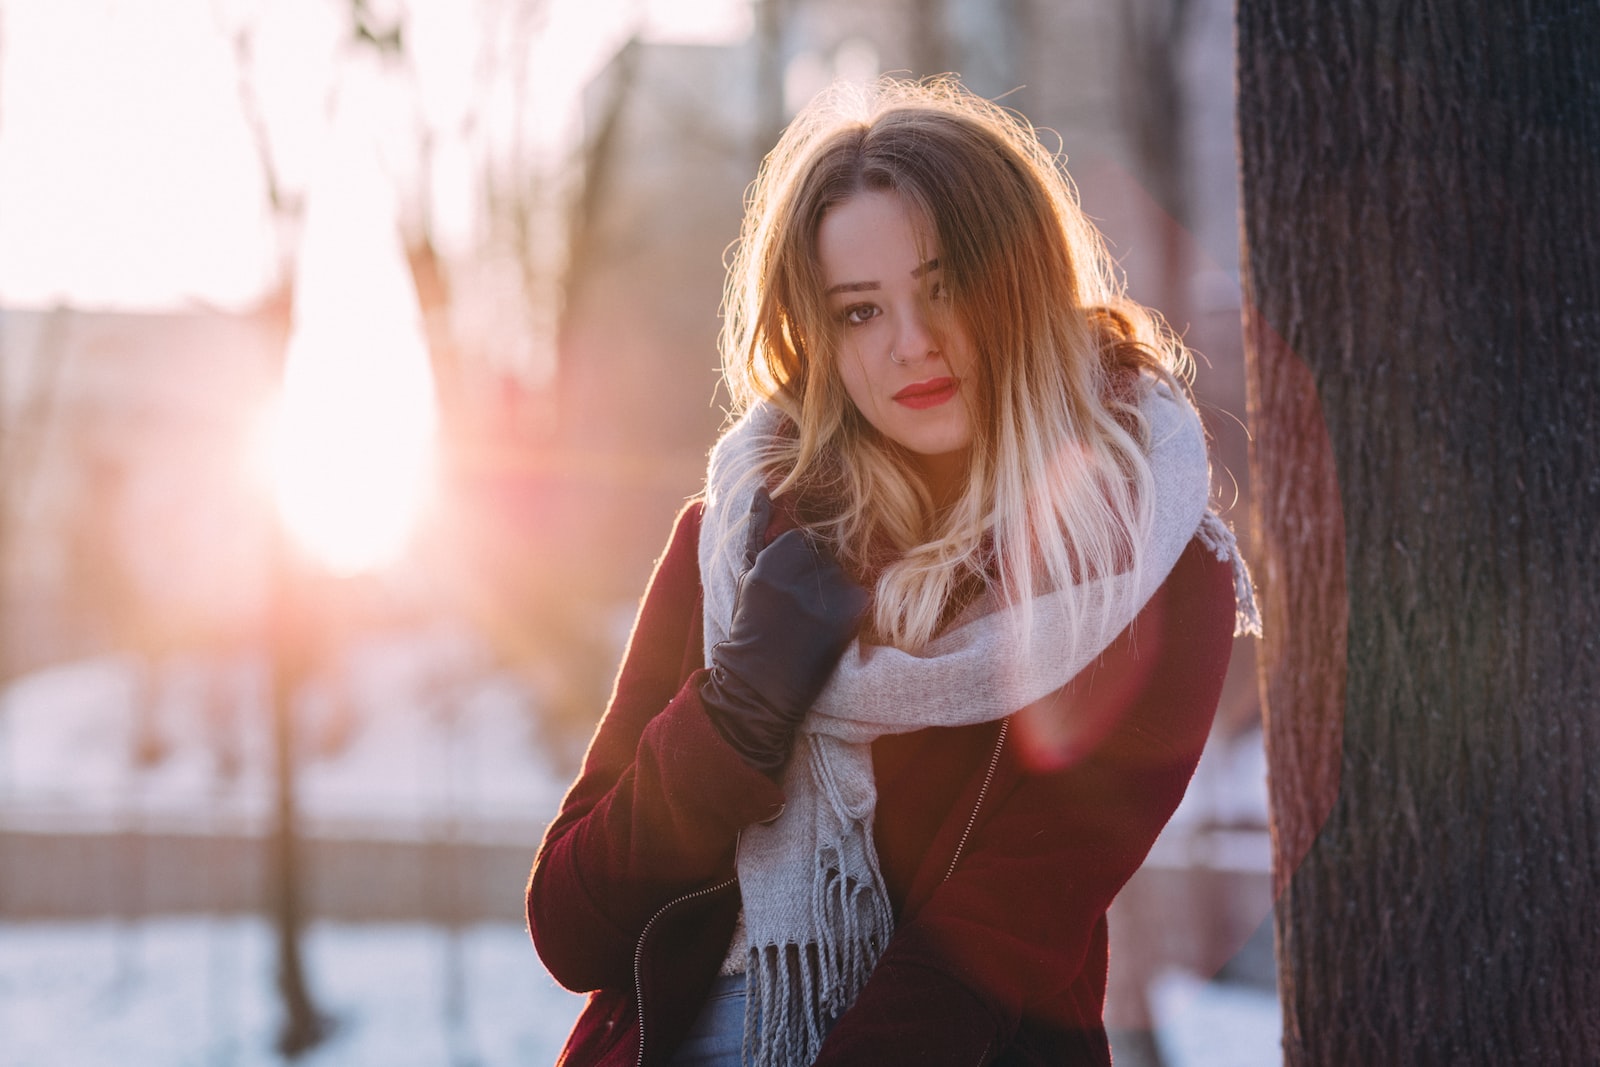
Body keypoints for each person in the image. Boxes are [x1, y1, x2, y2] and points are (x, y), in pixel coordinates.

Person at [527, 76, 1258, 1067]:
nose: (910, 342)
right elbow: (573, 925)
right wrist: (736, 713)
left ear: (1024, 278)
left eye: (945, 283)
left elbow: (994, 940)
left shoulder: (1145, 568)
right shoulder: (738, 543)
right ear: (818, 335)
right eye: (860, 310)